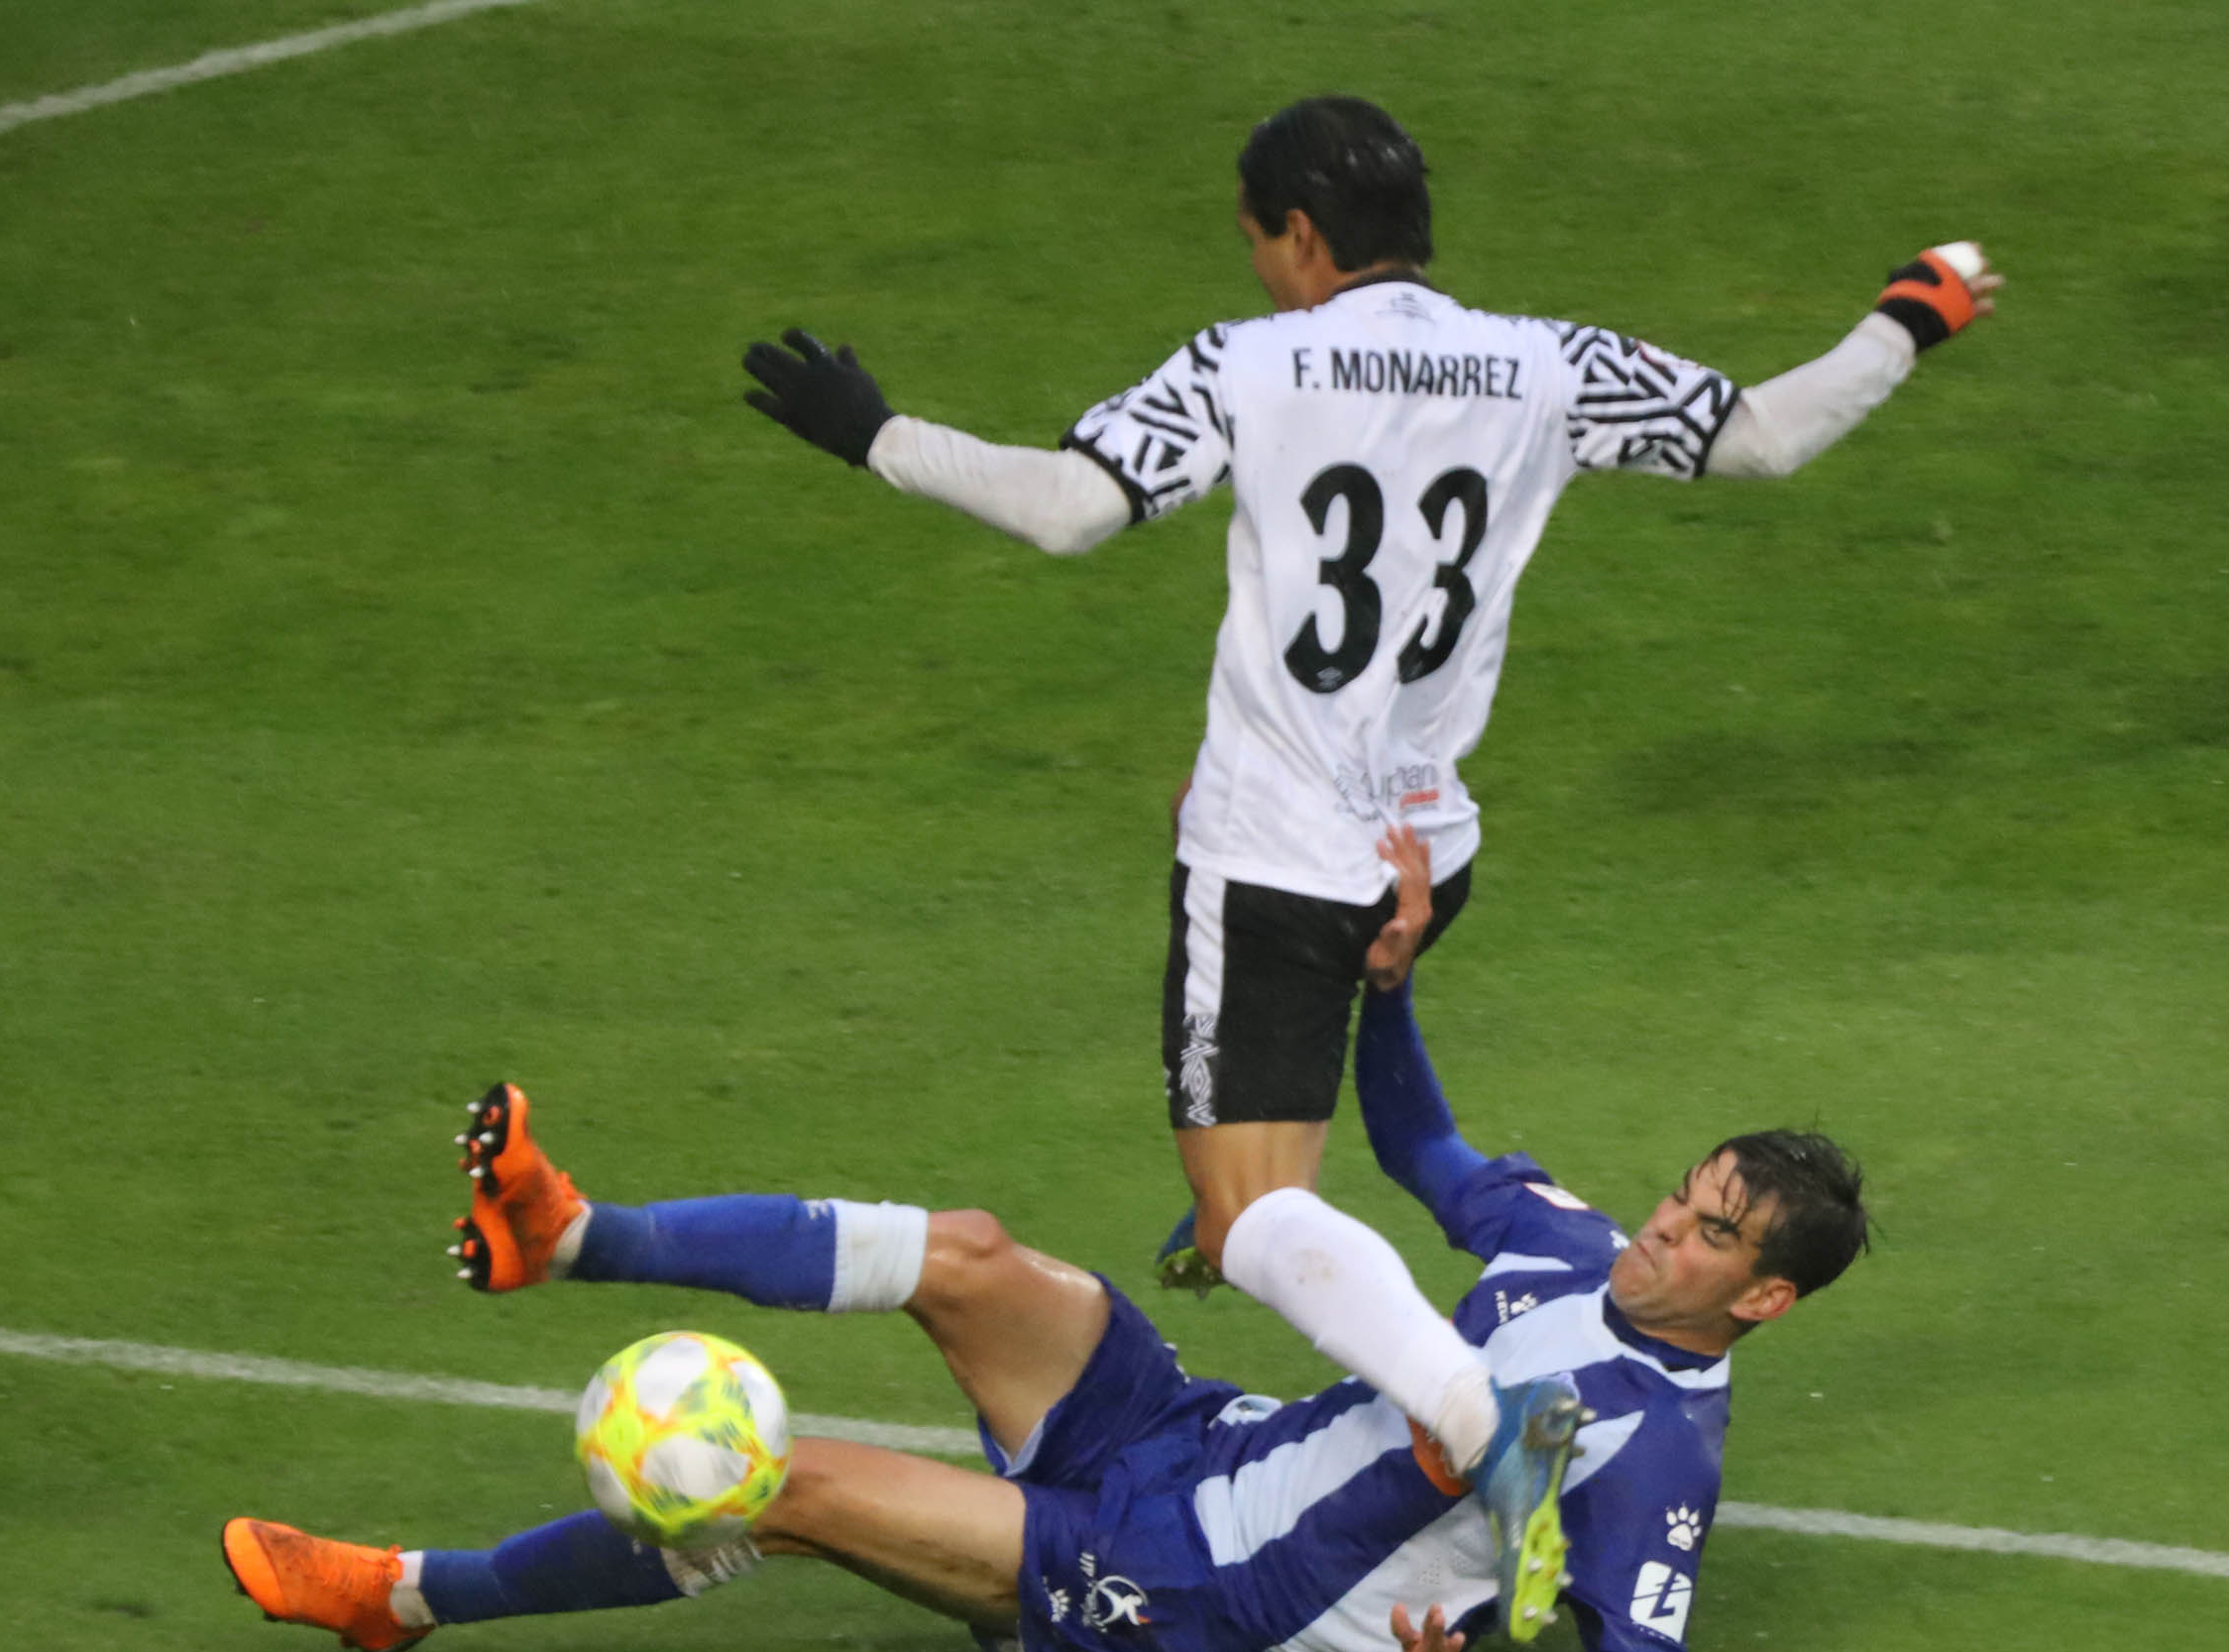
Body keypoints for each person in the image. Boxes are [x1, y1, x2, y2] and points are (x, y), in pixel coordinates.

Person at [735, 94, 1978, 1503]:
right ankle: (1281, 1215)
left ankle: (1480, 1425)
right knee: (1256, 1160)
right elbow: (1763, 435)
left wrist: (875, 433)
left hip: (1272, 861)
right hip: (1424, 854)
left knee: (1252, 1213)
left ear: (1305, 235)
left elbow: (1068, 508)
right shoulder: (1543, 364)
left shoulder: (1251, 364)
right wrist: (1909, 317)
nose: (1258, 266)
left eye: (1259, 238)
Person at [221, 880, 1870, 1652]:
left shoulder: (1659, 1454)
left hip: (1195, 1585)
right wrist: (1392, 988)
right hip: (1194, 1435)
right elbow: (1424, 1147)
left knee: (779, 1489)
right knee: (971, 1255)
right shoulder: (1576, 1252)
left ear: (1767, 1297)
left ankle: (402, 1595)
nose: (1663, 1229)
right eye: (1680, 1194)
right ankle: (577, 1236)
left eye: (1709, 1234)